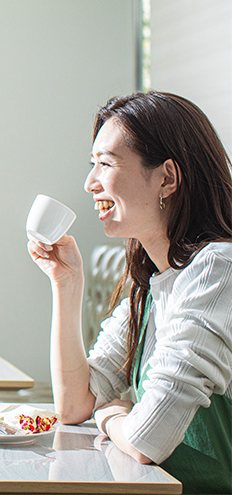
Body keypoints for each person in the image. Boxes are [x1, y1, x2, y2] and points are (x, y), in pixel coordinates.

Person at [27, 91, 232, 494]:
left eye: (105, 164)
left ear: (167, 178)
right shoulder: (155, 283)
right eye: (93, 165)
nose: (90, 183)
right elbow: (74, 405)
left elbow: (145, 440)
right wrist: (66, 284)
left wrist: (111, 418)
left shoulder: (217, 272)